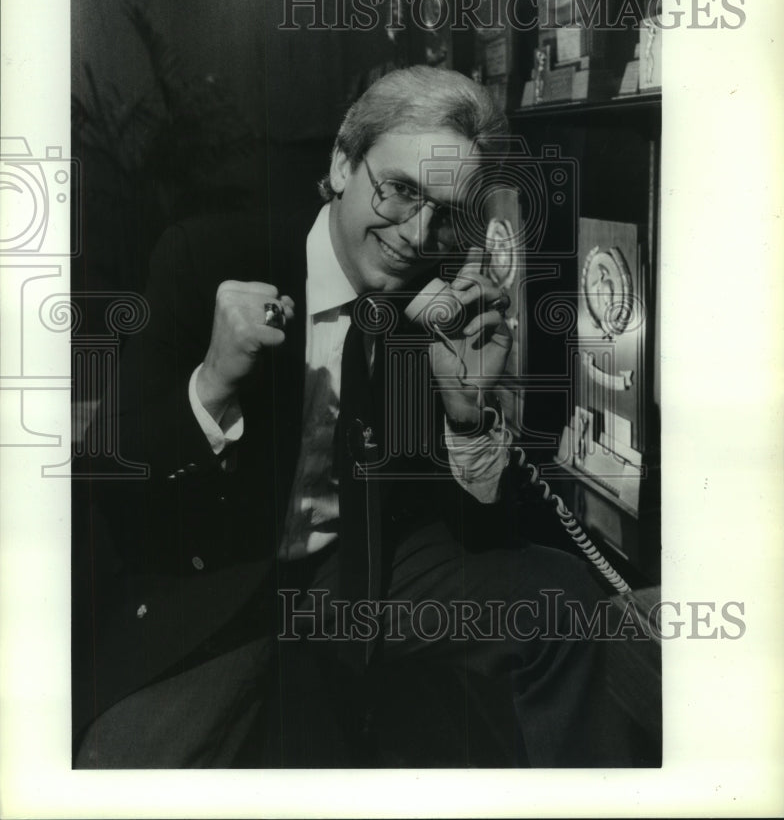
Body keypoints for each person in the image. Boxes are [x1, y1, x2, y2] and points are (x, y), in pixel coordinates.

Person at [73, 66, 639, 768]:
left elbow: (474, 542)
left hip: (359, 573)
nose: (416, 233)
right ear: (343, 163)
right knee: (128, 761)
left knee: (562, 599)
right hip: (215, 581)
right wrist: (212, 383)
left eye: (447, 212)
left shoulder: (428, 299)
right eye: (401, 191)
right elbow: (108, 472)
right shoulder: (210, 257)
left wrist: (466, 413)